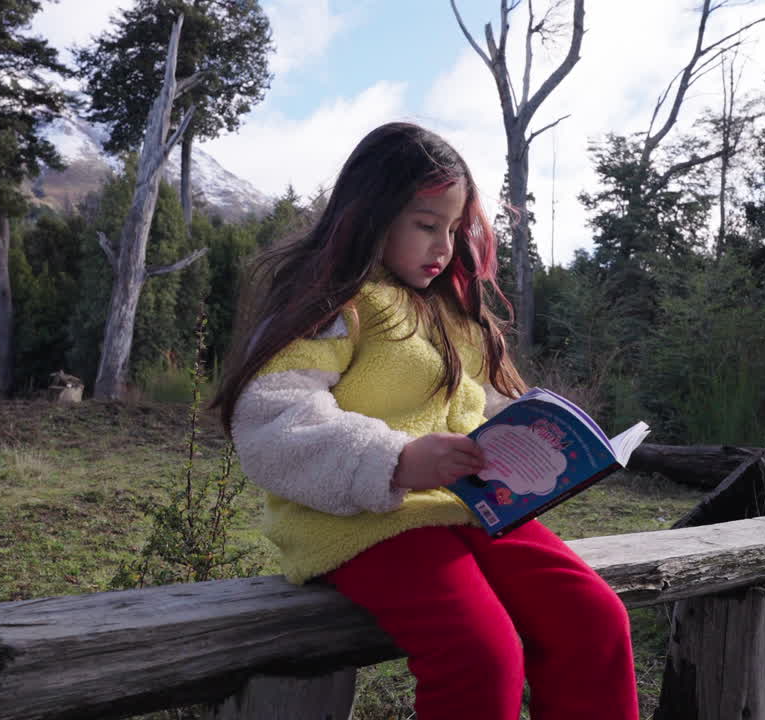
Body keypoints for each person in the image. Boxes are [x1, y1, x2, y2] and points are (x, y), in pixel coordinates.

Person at [212, 121, 638, 719]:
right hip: (361, 519)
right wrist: (397, 460)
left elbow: (476, 403)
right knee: (483, 654)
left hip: (471, 509)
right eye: (425, 225)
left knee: (593, 619)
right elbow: (273, 420)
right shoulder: (335, 301)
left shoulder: (452, 309)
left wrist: (545, 436)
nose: (444, 247)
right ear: (371, 214)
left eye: (454, 229)